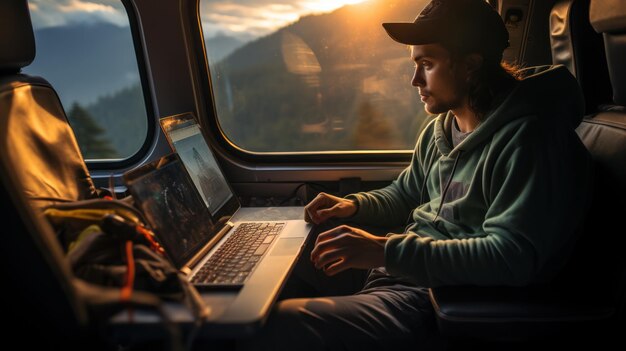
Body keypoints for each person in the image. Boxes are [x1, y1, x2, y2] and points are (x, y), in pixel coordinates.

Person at [246, 0, 592, 349]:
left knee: (276, 325)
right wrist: (352, 206)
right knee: (270, 262)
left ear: (471, 66)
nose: (414, 80)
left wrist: (385, 251)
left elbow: (511, 257)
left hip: (441, 297)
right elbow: (406, 194)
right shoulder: (441, 128)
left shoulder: (530, 141)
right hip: (404, 270)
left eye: (426, 64)